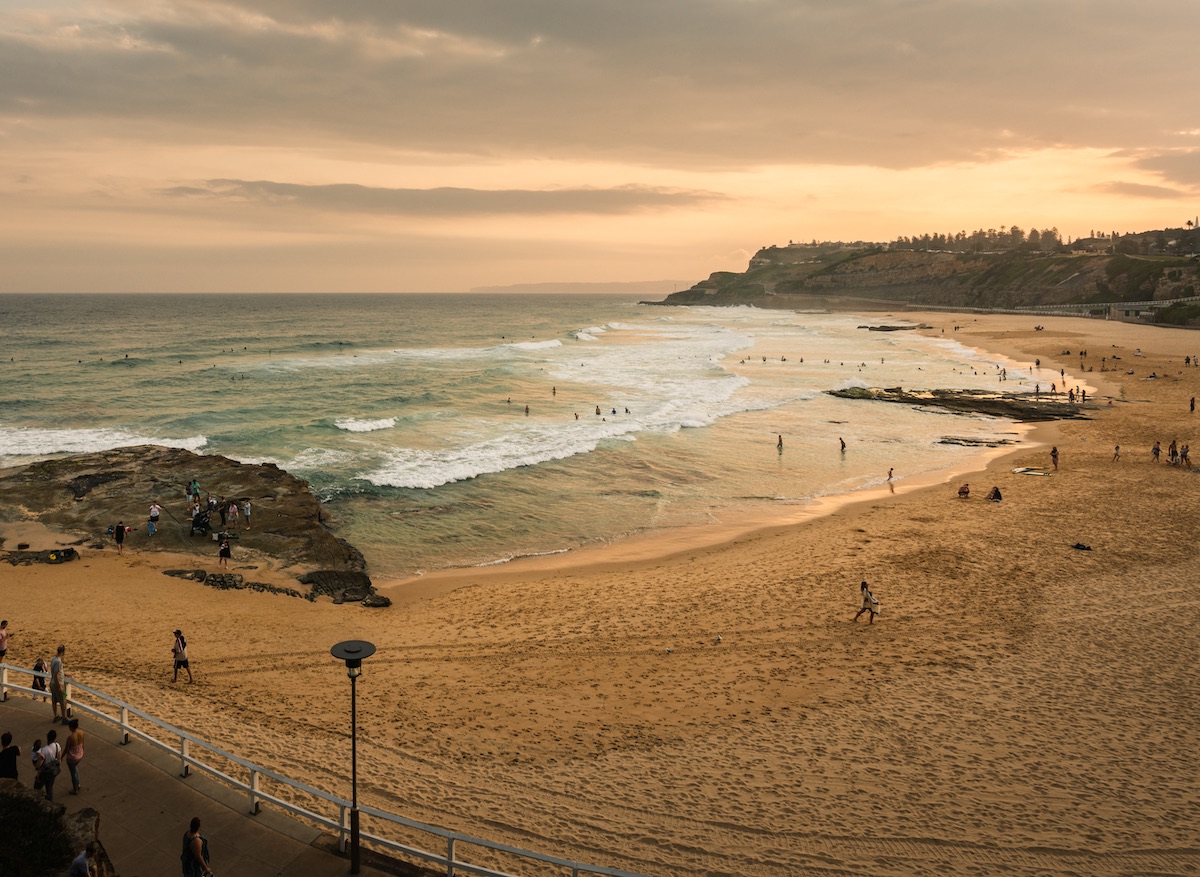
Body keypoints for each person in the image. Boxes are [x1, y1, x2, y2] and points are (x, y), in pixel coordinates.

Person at [33, 729, 61, 801]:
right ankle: (49, 802)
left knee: (37, 788)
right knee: (49, 787)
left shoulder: (44, 750)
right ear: (55, 738)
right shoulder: (57, 745)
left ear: (47, 737)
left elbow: (38, 766)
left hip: (44, 773)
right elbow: (59, 759)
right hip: (52, 771)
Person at [63, 718, 84, 795]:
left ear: (71, 727)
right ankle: (78, 784)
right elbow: (83, 744)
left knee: (73, 773)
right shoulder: (81, 733)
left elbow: (66, 749)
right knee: (75, 769)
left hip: (72, 757)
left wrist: (61, 757)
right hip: (80, 754)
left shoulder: (70, 737)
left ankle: (75, 789)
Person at [50, 644, 67, 723]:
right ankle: (64, 718)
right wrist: (59, 685)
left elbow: (55, 672)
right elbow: (56, 674)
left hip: (52, 682)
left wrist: (65, 674)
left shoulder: (53, 659)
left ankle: (56, 716)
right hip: (57, 683)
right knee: (62, 701)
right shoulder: (58, 661)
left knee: (54, 700)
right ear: (63, 652)